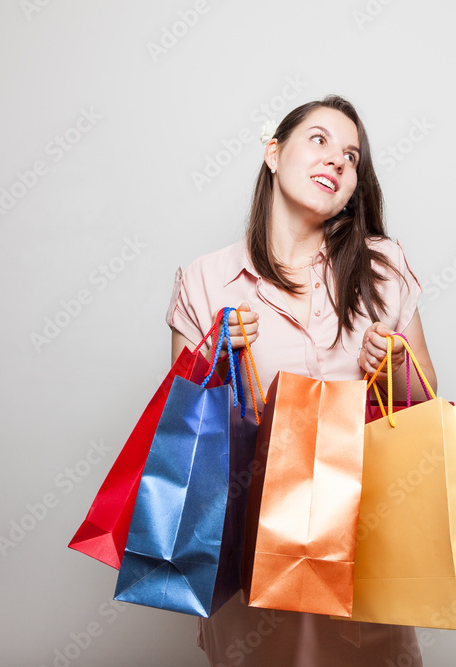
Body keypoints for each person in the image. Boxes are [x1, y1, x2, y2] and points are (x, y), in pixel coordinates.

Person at [165, 94, 437, 667]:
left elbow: (427, 414)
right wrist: (212, 361)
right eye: (319, 140)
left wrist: (393, 367)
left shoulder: (383, 266)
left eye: (352, 156)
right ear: (273, 152)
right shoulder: (205, 280)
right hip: (253, 555)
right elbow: (181, 440)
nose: (338, 160)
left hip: (366, 545)